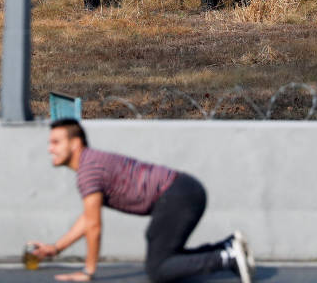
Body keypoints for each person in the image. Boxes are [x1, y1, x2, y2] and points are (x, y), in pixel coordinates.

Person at [30, 119, 255, 283]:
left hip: (177, 196)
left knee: (159, 269)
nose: (50, 148)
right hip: (182, 191)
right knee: (164, 257)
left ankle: (227, 258)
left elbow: (94, 226)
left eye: (56, 142)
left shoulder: (88, 171)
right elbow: (89, 219)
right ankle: (226, 247)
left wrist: (88, 272)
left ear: (75, 144)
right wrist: (56, 248)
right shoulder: (90, 164)